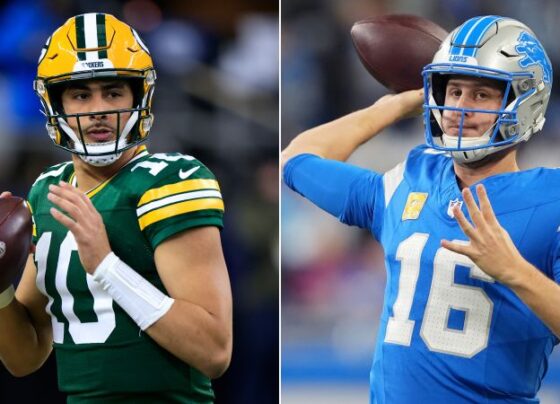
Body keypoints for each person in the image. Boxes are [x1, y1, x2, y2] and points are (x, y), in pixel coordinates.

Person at [283, 15, 560, 403]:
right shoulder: (412, 179)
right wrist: (395, 106)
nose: (460, 107)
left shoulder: (551, 200)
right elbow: (297, 160)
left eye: (481, 94)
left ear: (524, 103)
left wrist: (515, 272)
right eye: (453, 90)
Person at [0, 13, 232, 403]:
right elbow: (25, 356)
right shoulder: (47, 191)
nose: (98, 110)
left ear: (138, 97)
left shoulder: (170, 181)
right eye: (80, 94)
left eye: (113, 92)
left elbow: (214, 351)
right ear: (54, 102)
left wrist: (107, 267)